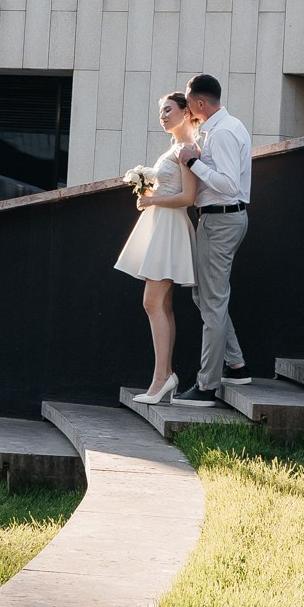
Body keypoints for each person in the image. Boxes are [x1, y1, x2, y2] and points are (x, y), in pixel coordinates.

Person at [172, 72, 253, 402]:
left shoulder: (222, 133)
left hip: (222, 221)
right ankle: (235, 366)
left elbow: (230, 186)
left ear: (200, 103)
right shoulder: (224, 128)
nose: (188, 108)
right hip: (219, 221)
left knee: (212, 302)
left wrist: (193, 163)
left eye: (189, 103)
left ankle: (207, 385)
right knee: (205, 297)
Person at [114, 90, 198, 403]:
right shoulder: (174, 147)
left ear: (184, 112)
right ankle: (163, 376)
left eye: (168, 110)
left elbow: (188, 197)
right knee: (159, 304)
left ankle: (162, 377)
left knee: (153, 302)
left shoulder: (187, 149)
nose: (162, 116)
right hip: (161, 225)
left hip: (171, 228)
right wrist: (148, 193)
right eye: (160, 111)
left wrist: (153, 199)